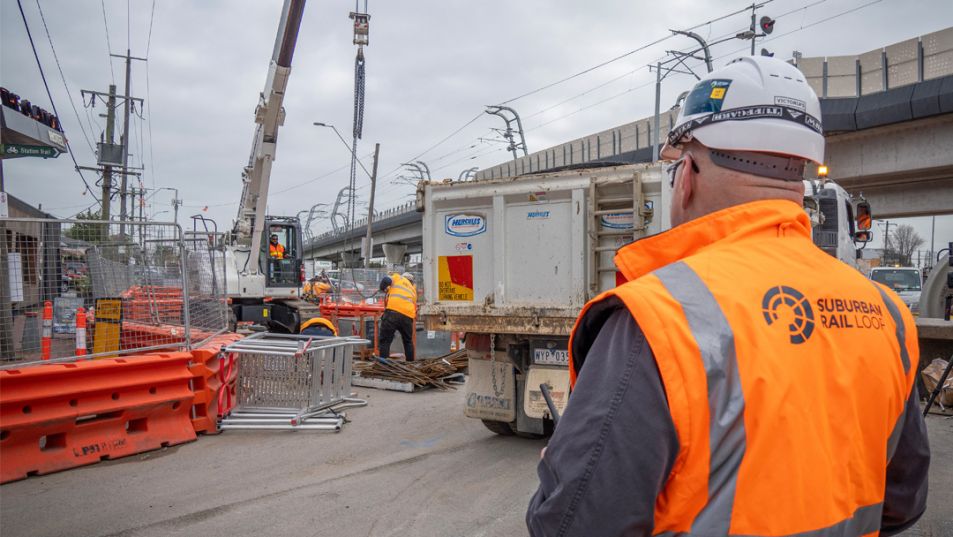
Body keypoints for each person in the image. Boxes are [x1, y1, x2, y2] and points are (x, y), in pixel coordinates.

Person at [526, 56, 929, 537]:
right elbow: (902, 501)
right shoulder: (886, 314)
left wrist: (558, 475)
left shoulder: (661, 319)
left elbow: (575, 526)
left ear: (688, 174)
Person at [378, 271, 417, 361]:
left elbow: (386, 280)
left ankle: (384, 367)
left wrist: (383, 288)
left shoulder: (398, 278)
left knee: (385, 341)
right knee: (408, 342)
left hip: (393, 312)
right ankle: (410, 365)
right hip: (407, 316)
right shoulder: (413, 290)